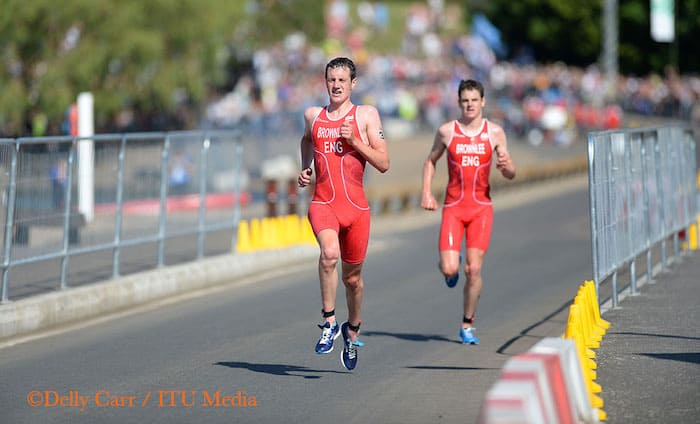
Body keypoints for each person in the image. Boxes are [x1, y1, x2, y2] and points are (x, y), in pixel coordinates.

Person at [297, 57, 390, 370]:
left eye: (342, 80)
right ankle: (328, 322)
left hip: (357, 210)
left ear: (353, 84)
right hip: (323, 203)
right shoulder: (313, 115)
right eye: (331, 80)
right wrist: (306, 167)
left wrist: (354, 141)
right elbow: (306, 140)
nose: (336, 85)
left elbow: (383, 162)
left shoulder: (365, 115)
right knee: (328, 255)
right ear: (325, 82)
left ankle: (353, 328)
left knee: (353, 281)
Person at [420, 79, 516, 345]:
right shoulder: (447, 131)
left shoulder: (494, 133)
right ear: (459, 103)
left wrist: (506, 166)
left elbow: (510, 173)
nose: (470, 105)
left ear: (483, 102)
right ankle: (449, 267)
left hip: (481, 210)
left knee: (473, 270)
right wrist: (426, 192)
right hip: (453, 208)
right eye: (465, 100)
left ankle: (467, 323)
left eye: (474, 100)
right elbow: (430, 161)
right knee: (451, 268)